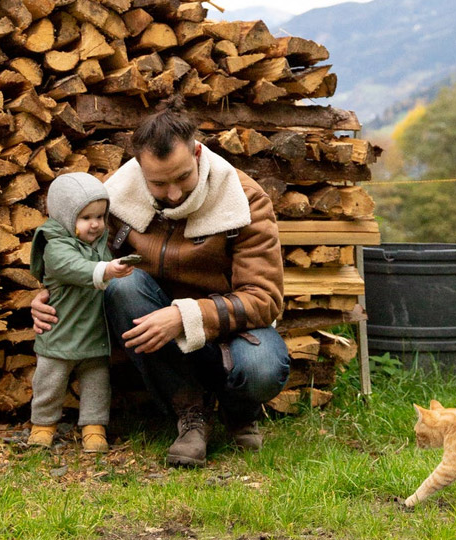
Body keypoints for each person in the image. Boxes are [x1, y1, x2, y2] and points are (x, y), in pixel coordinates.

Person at [31, 97, 290, 467]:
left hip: (227, 331)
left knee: (264, 366)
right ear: (139, 168)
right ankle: (191, 416)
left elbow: (265, 299)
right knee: (123, 285)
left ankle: (237, 409)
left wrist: (186, 316)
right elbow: (75, 252)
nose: (173, 194)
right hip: (154, 331)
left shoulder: (244, 199)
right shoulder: (116, 198)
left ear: (197, 152)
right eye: (158, 183)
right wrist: (48, 293)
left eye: (183, 177)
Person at [27, 173, 134, 453]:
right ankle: (43, 425)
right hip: (59, 332)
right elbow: (72, 267)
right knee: (49, 381)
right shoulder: (55, 245)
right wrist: (107, 271)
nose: (96, 224)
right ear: (65, 216)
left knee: (97, 384)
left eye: (100, 216)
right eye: (86, 217)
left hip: (94, 333)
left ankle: (94, 427)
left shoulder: (101, 243)